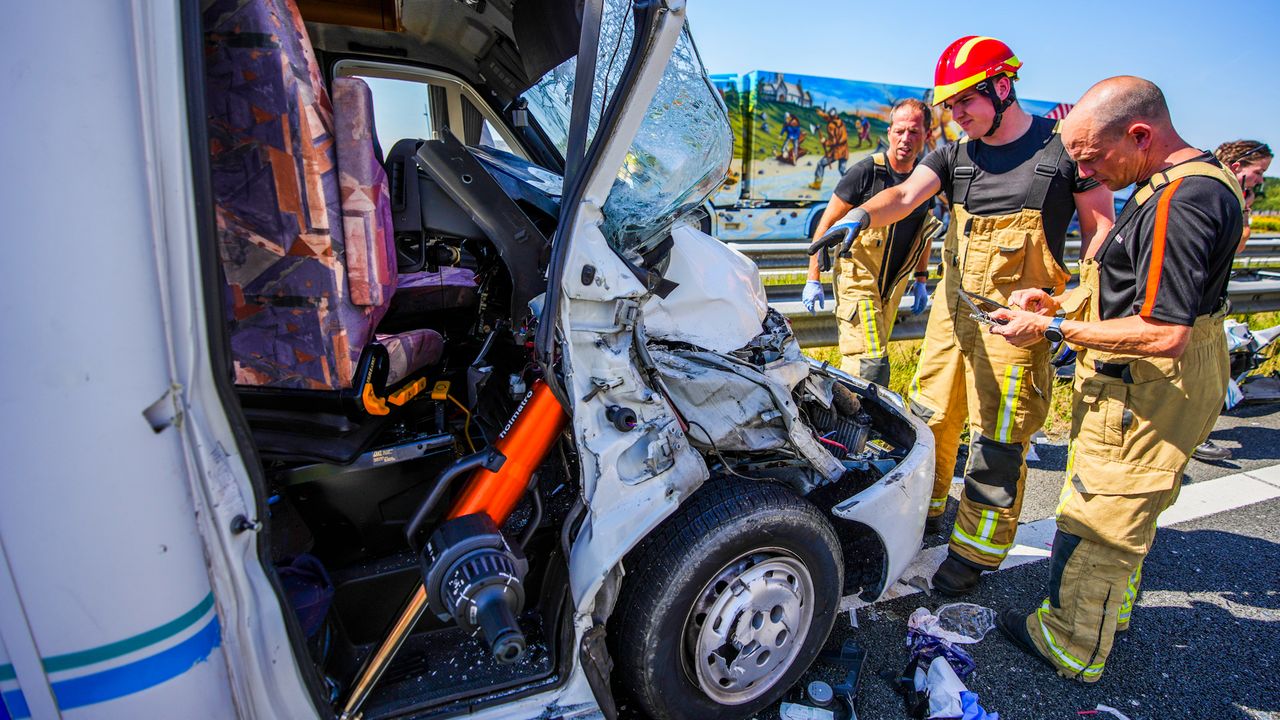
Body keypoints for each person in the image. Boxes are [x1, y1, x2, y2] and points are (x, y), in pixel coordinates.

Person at [818, 35, 1114, 595]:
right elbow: (905, 197)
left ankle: (975, 553)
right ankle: (926, 515)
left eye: (964, 103)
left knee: (997, 442)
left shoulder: (1063, 153)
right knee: (929, 421)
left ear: (1002, 88)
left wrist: (1074, 309)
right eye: (949, 107)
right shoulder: (954, 155)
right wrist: (859, 216)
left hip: (1015, 326)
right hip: (951, 321)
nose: (955, 117)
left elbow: (1101, 233)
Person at [986, 76, 1244, 683]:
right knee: (1133, 510)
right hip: (1169, 380)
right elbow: (1132, 291)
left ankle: (1070, 641)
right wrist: (1059, 303)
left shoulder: (1181, 203)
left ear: (1139, 133)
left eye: (1092, 156)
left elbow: (1161, 330)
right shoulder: (1191, 180)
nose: (1090, 173)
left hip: (1148, 386)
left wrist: (1051, 333)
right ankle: (1109, 613)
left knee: (1100, 514)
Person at [802, 99, 940, 384]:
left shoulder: (924, 181)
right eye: (899, 131)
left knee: (860, 363)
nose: (905, 139)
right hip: (858, 281)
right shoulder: (866, 172)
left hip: (892, 286)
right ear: (889, 132)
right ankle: (864, 424)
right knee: (870, 364)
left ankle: (843, 419)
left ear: (926, 135)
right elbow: (825, 224)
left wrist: (922, 279)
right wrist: (812, 278)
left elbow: (924, 233)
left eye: (914, 132)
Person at [1191, 140, 1273, 462]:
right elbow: (1238, 243)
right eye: (1259, 172)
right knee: (1203, 379)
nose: (1261, 181)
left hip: (1208, 302)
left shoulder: (1224, 193)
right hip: (1196, 303)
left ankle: (1191, 436)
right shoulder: (1216, 195)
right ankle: (1193, 438)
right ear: (1237, 167)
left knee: (1210, 378)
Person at [810, 108, 850, 190]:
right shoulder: (839, 122)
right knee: (842, 169)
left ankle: (817, 184)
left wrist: (825, 141)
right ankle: (851, 186)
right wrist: (821, 114)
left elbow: (834, 141)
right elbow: (829, 118)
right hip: (844, 151)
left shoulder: (832, 126)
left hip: (836, 151)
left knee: (821, 164)